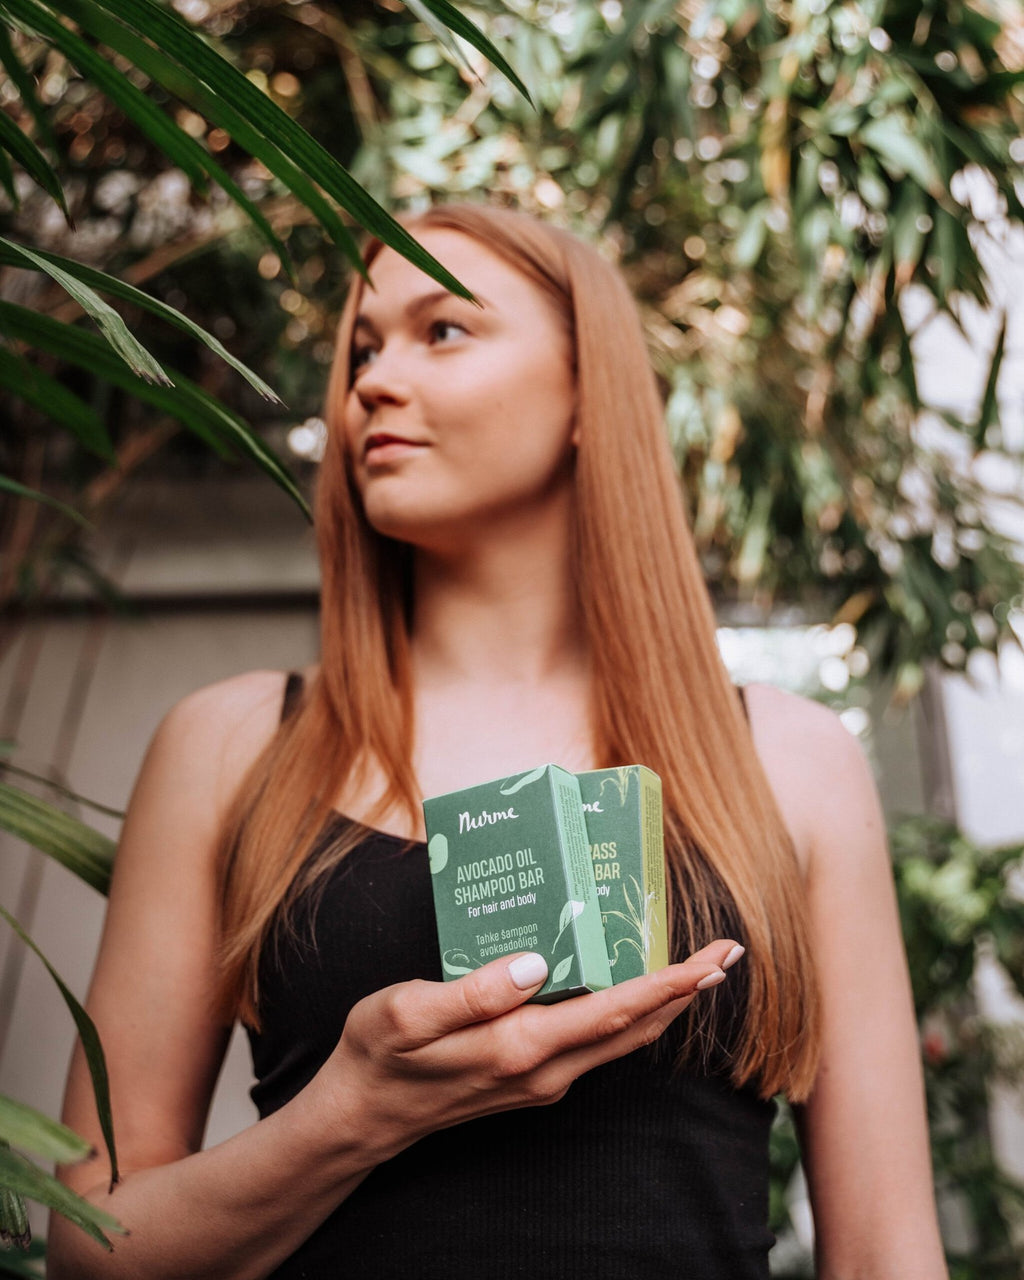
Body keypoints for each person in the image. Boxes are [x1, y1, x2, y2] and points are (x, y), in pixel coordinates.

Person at [48, 203, 948, 1280]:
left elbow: (887, 1254)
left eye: (443, 330)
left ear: (585, 393)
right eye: (362, 348)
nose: (371, 382)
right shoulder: (232, 745)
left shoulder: (791, 760)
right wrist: (352, 1112)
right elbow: (88, 1246)